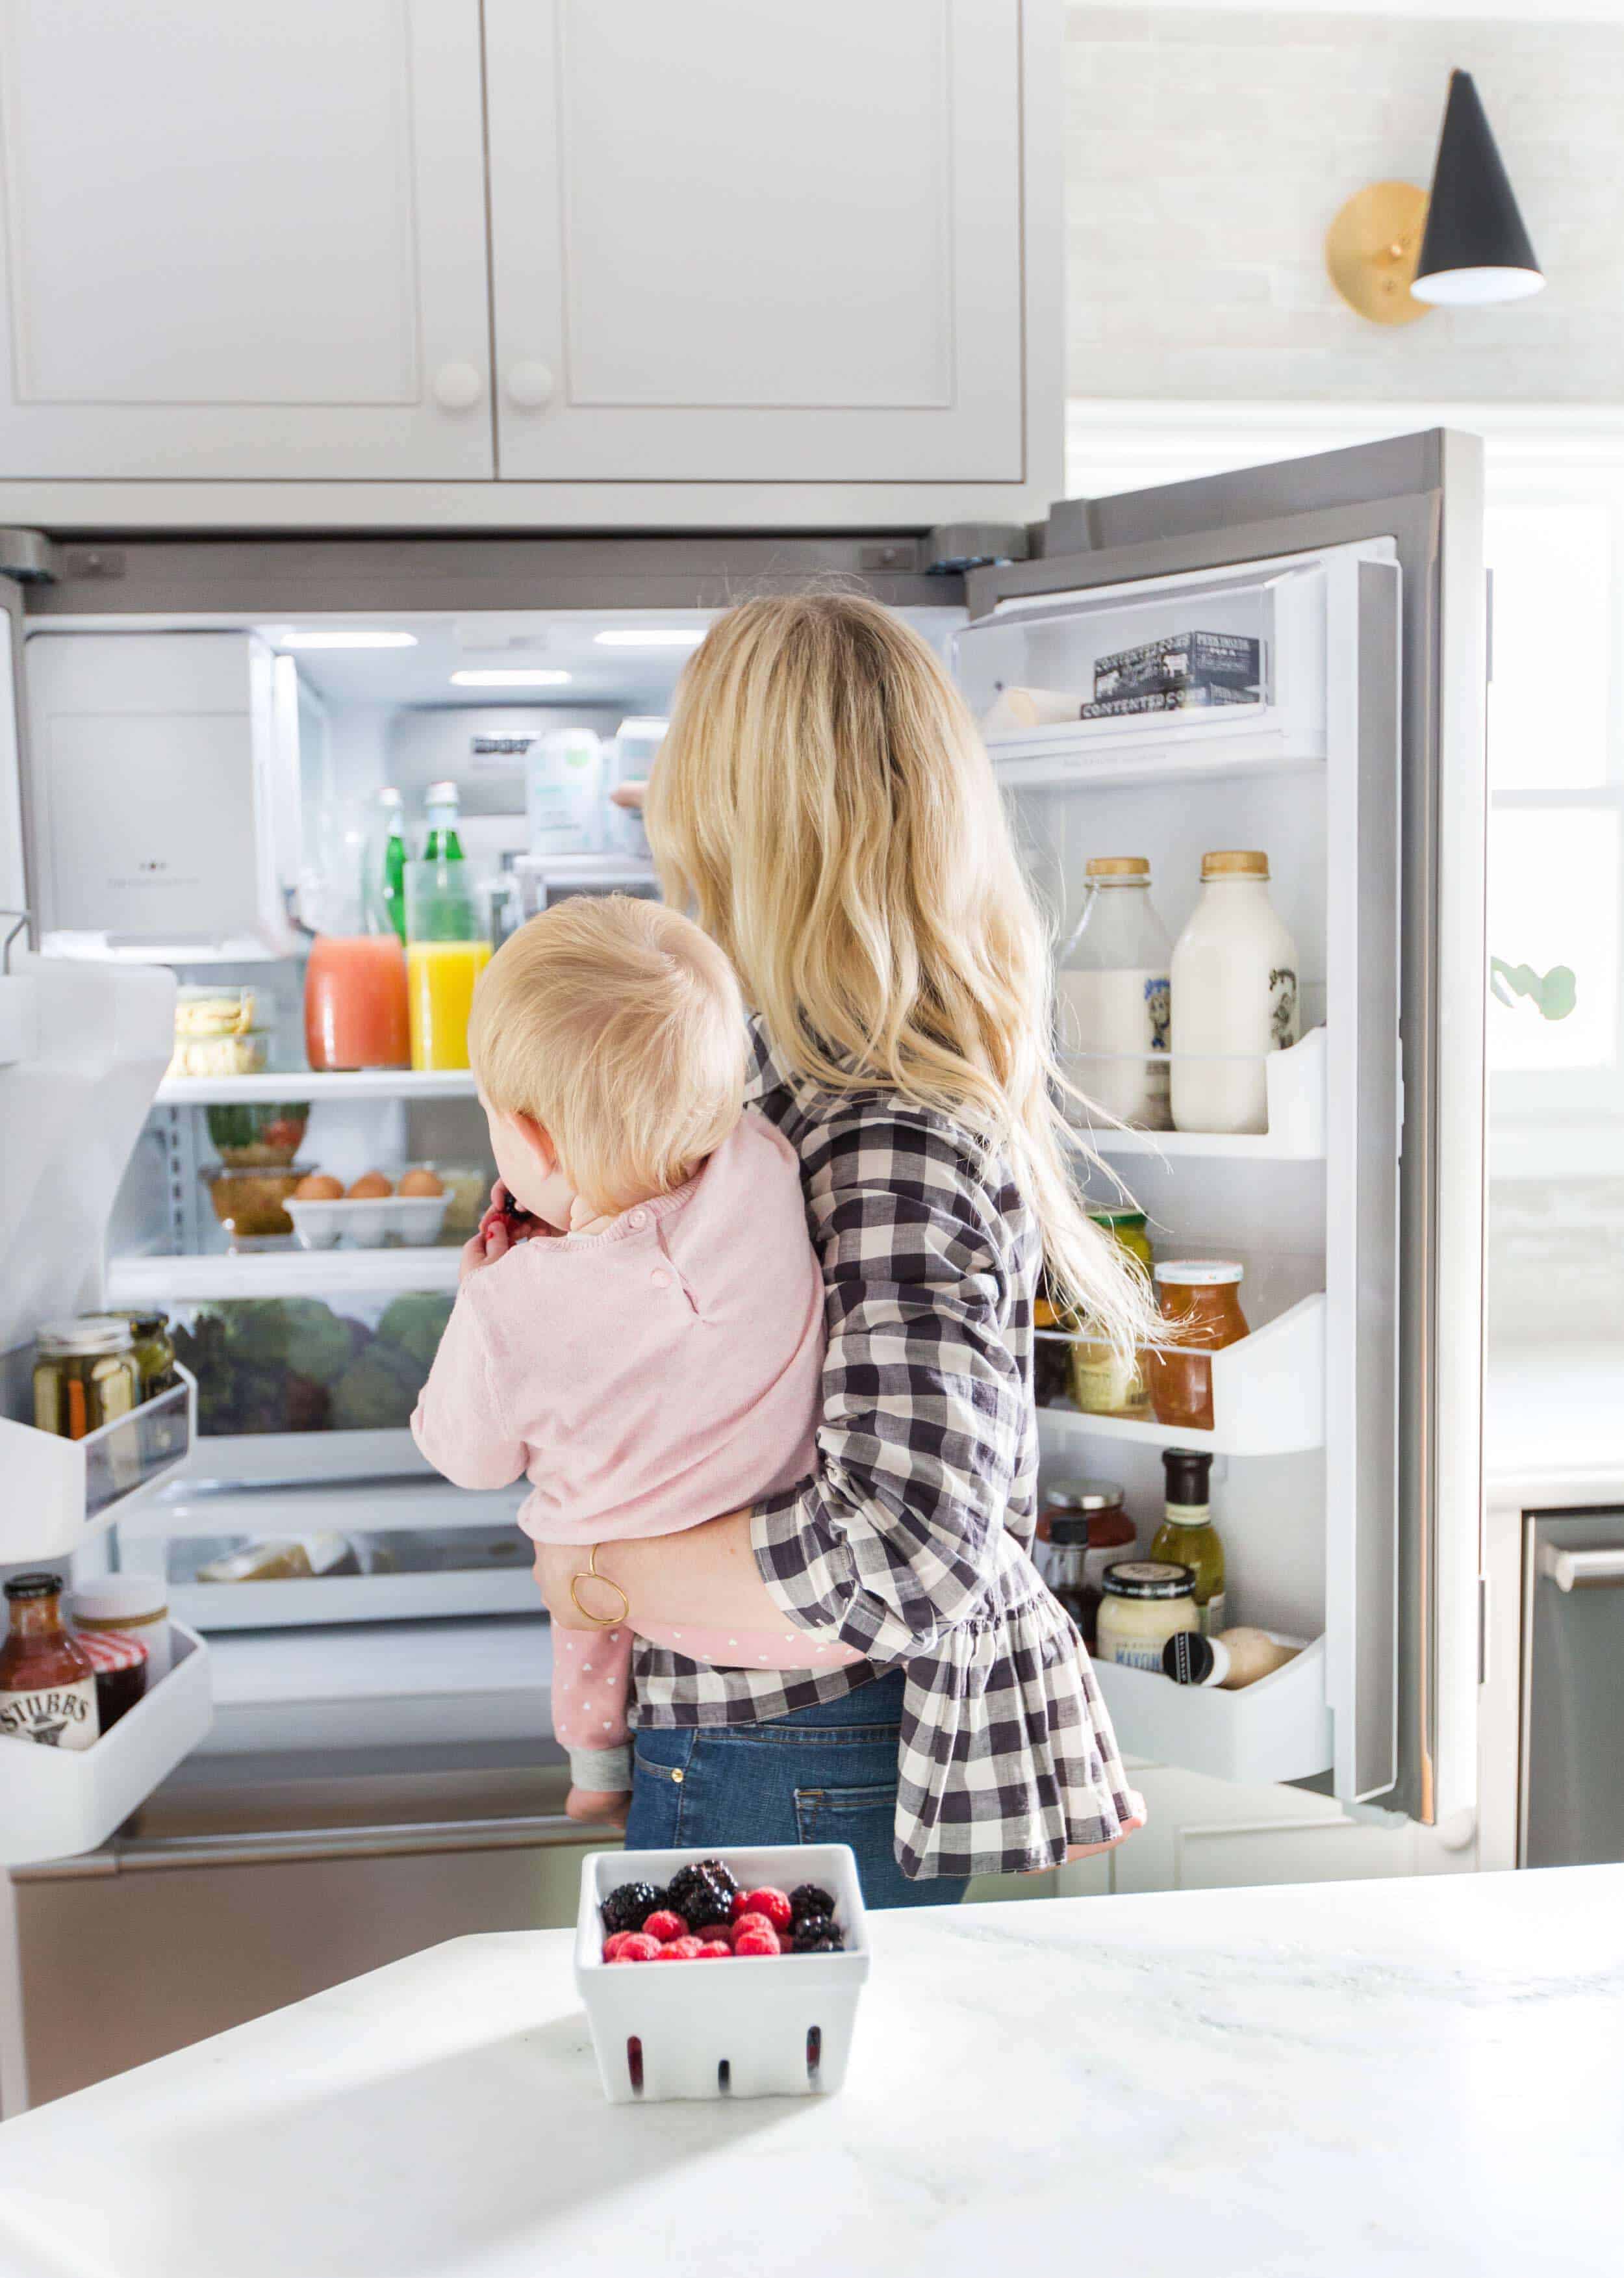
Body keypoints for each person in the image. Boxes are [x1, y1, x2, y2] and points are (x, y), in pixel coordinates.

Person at [529, 594, 1150, 1907]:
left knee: (761, 2100)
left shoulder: (877, 1131)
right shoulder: (788, 1097)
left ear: (733, 826)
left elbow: (903, 1546)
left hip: (794, 1742)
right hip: (772, 1735)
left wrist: (600, 1575)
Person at [409, 894, 861, 1823]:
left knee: (570, 1536)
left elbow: (465, 1456)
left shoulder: (510, 1307)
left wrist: (480, 1292)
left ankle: (592, 1768)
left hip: (666, 1628)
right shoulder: (761, 1166)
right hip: (809, 1619)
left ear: (530, 1141)